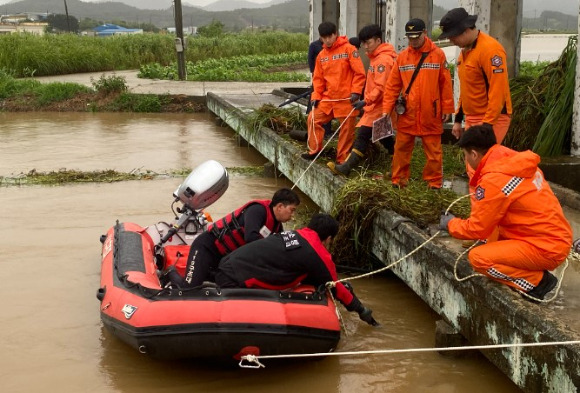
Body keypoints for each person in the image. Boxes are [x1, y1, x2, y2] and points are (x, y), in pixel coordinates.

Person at [439, 125, 573, 302]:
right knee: (490, 239)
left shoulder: (494, 179)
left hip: (545, 248)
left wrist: (450, 224)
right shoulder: (514, 162)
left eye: (465, 155)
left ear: (473, 154)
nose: (466, 160)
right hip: (553, 238)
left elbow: (477, 229)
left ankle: (537, 282)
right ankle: (532, 272)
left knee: (479, 258)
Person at [215, 213, 377, 325]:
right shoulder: (318, 253)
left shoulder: (296, 234)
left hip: (226, 265)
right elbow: (336, 287)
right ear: (328, 239)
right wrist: (361, 310)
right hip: (234, 281)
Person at [167, 188, 300, 288]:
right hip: (207, 247)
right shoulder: (257, 210)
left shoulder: (277, 226)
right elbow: (250, 238)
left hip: (224, 259)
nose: (293, 215)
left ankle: (205, 274)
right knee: (189, 288)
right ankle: (170, 272)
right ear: (280, 206)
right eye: (292, 210)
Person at [438, 7, 513, 178]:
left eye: (452, 36)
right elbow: (466, 90)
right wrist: (458, 120)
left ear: (465, 30)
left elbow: (498, 90)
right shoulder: (464, 54)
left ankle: (486, 202)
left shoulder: (490, 50)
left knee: (483, 165)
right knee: (472, 166)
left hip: (493, 118)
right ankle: (478, 203)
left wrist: (487, 126)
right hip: (472, 117)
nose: (451, 40)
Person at [382, 18, 454, 189]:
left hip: (431, 112)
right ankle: (398, 181)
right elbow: (392, 86)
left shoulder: (438, 55)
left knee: (434, 152)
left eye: (416, 37)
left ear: (425, 33)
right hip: (408, 113)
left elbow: (445, 83)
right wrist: (386, 110)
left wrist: (448, 108)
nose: (413, 41)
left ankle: (434, 183)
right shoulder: (402, 58)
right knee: (401, 149)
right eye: (410, 38)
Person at [328, 24, 397, 177]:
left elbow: (381, 87)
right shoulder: (377, 57)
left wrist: (365, 101)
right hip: (376, 106)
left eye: (368, 43)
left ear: (378, 40)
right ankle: (398, 167)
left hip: (379, 107)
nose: (365, 46)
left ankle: (346, 167)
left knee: (363, 135)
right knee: (385, 138)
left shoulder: (383, 61)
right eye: (363, 43)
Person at [302, 22, 366, 165]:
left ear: (335, 33)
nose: (328, 40)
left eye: (330, 36)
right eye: (324, 38)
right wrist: (315, 96)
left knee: (346, 131)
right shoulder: (321, 56)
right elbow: (318, 79)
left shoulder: (349, 49)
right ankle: (314, 150)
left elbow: (359, 73)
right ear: (321, 38)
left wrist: (356, 91)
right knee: (313, 118)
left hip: (346, 100)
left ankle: (342, 160)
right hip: (328, 100)